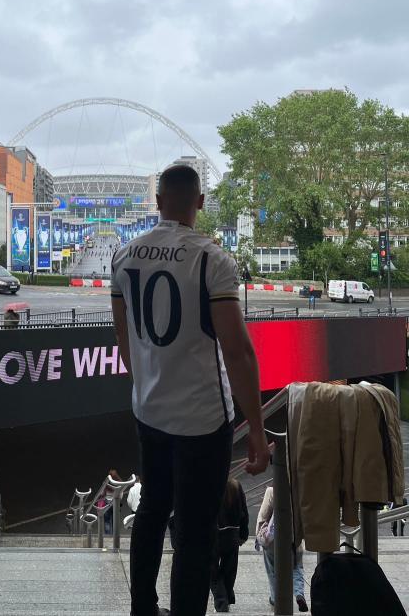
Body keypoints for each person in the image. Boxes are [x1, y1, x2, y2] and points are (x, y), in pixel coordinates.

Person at [111, 164, 269, 616]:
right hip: (203, 422)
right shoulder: (212, 259)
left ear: (158, 201)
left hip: (149, 413)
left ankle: (143, 607)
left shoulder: (124, 256)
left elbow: (123, 338)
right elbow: (237, 352)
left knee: (152, 509)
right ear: (199, 202)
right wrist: (257, 430)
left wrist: (146, 386)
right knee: (196, 532)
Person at [256, 486, 308, 612]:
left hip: (273, 539)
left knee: (272, 569)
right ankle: (299, 593)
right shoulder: (300, 491)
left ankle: (275, 598)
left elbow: (263, 515)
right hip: (293, 538)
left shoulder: (271, 491)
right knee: (296, 567)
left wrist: (259, 536)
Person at [210, 478, 249, 613]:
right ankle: (226, 597)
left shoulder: (209, 484)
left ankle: (221, 601)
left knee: (213, 571)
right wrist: (243, 535)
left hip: (213, 535)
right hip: (232, 534)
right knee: (229, 569)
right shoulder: (235, 485)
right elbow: (244, 513)